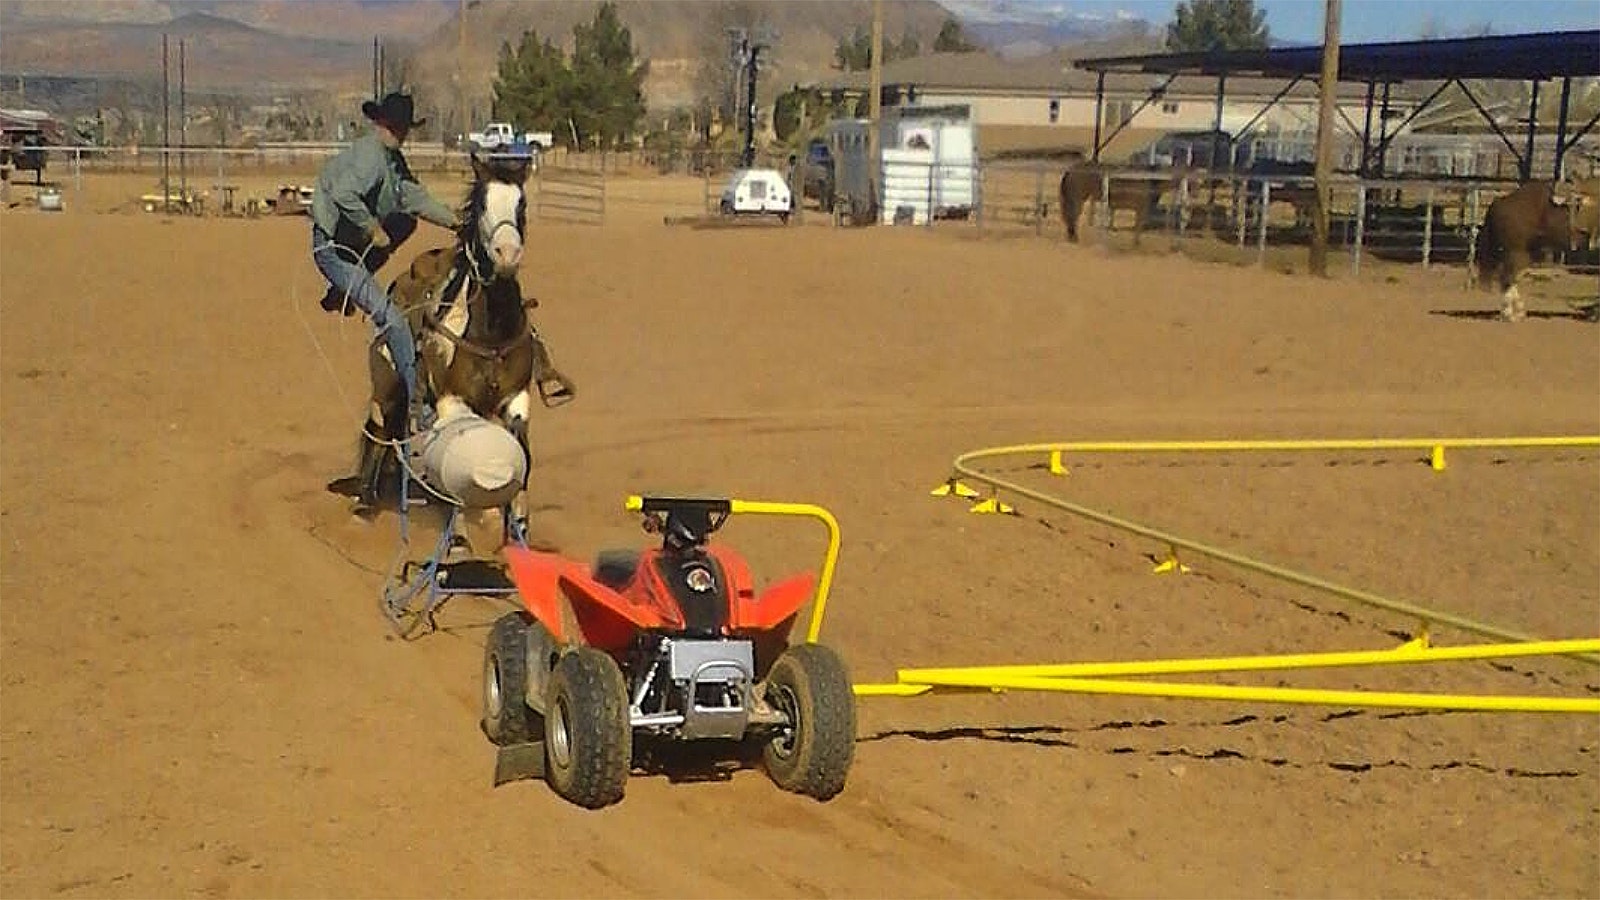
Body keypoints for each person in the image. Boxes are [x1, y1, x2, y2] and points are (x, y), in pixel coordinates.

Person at [309, 91, 459, 435]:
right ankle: (416, 406)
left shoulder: (393, 161)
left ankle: (342, 292)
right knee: (394, 322)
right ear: (388, 125)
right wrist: (371, 226)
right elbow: (343, 194)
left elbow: (413, 197)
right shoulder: (370, 159)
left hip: (353, 247)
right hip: (334, 249)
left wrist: (454, 222)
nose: (401, 133)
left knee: (406, 221)